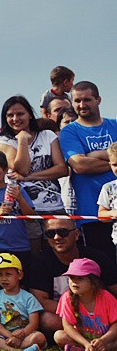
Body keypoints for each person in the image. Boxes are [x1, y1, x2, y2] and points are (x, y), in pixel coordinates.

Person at [0, 95, 67, 252]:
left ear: (29, 114)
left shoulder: (47, 135)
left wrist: (30, 177)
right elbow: (21, 168)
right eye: (10, 115)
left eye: (20, 114)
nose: (15, 119)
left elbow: (62, 169)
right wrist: (22, 140)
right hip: (23, 208)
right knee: (33, 257)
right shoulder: (3, 141)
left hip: (54, 206)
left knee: (59, 253)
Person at [25, 218, 117, 336]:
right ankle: (84, 338)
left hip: (101, 314)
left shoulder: (96, 257)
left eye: (63, 232)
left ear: (77, 234)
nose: (57, 237)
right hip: (67, 315)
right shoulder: (41, 263)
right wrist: (78, 313)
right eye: (50, 233)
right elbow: (40, 301)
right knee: (48, 320)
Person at [59, 81, 117, 258]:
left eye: (87, 100)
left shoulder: (114, 125)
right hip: (91, 215)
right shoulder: (70, 131)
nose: (82, 105)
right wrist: (113, 160)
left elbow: (85, 162)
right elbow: (80, 165)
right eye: (77, 101)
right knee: (101, 267)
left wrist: (95, 154)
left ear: (98, 100)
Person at [0, 253, 45, 351]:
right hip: (4, 335)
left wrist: (20, 336)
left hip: (24, 335)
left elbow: (34, 323)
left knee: (39, 337)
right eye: (0, 274)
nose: (3, 278)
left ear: (20, 275)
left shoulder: (28, 297)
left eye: (8, 274)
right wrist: (10, 336)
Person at [53, 258, 117, 351]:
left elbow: (116, 324)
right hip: (82, 339)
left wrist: (103, 340)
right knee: (59, 336)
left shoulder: (106, 297)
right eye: (71, 277)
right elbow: (67, 326)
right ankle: (91, 348)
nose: (74, 282)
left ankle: (90, 349)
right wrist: (86, 343)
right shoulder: (67, 298)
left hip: (107, 339)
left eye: (80, 278)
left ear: (94, 282)